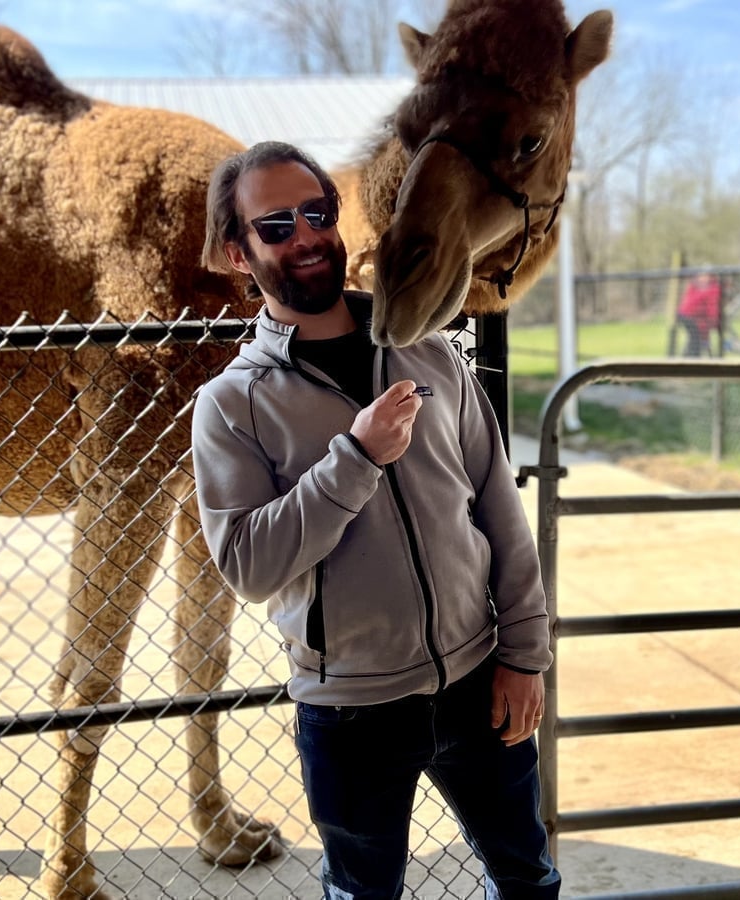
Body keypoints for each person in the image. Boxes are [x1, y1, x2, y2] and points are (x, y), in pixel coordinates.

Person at [191, 140, 561, 900]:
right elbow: (250, 567)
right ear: (237, 251)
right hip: (351, 711)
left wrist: (526, 653)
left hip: (477, 677)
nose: (304, 237)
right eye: (276, 225)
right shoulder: (231, 405)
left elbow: (496, 504)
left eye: (317, 214)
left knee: (528, 876)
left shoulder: (431, 350)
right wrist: (355, 459)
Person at [676, 270, 722, 357]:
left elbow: (708, 308)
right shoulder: (712, 289)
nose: (703, 279)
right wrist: (713, 322)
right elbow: (711, 308)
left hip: (685, 315)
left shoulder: (700, 287)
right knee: (695, 338)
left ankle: (688, 358)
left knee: (695, 338)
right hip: (688, 316)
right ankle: (692, 360)